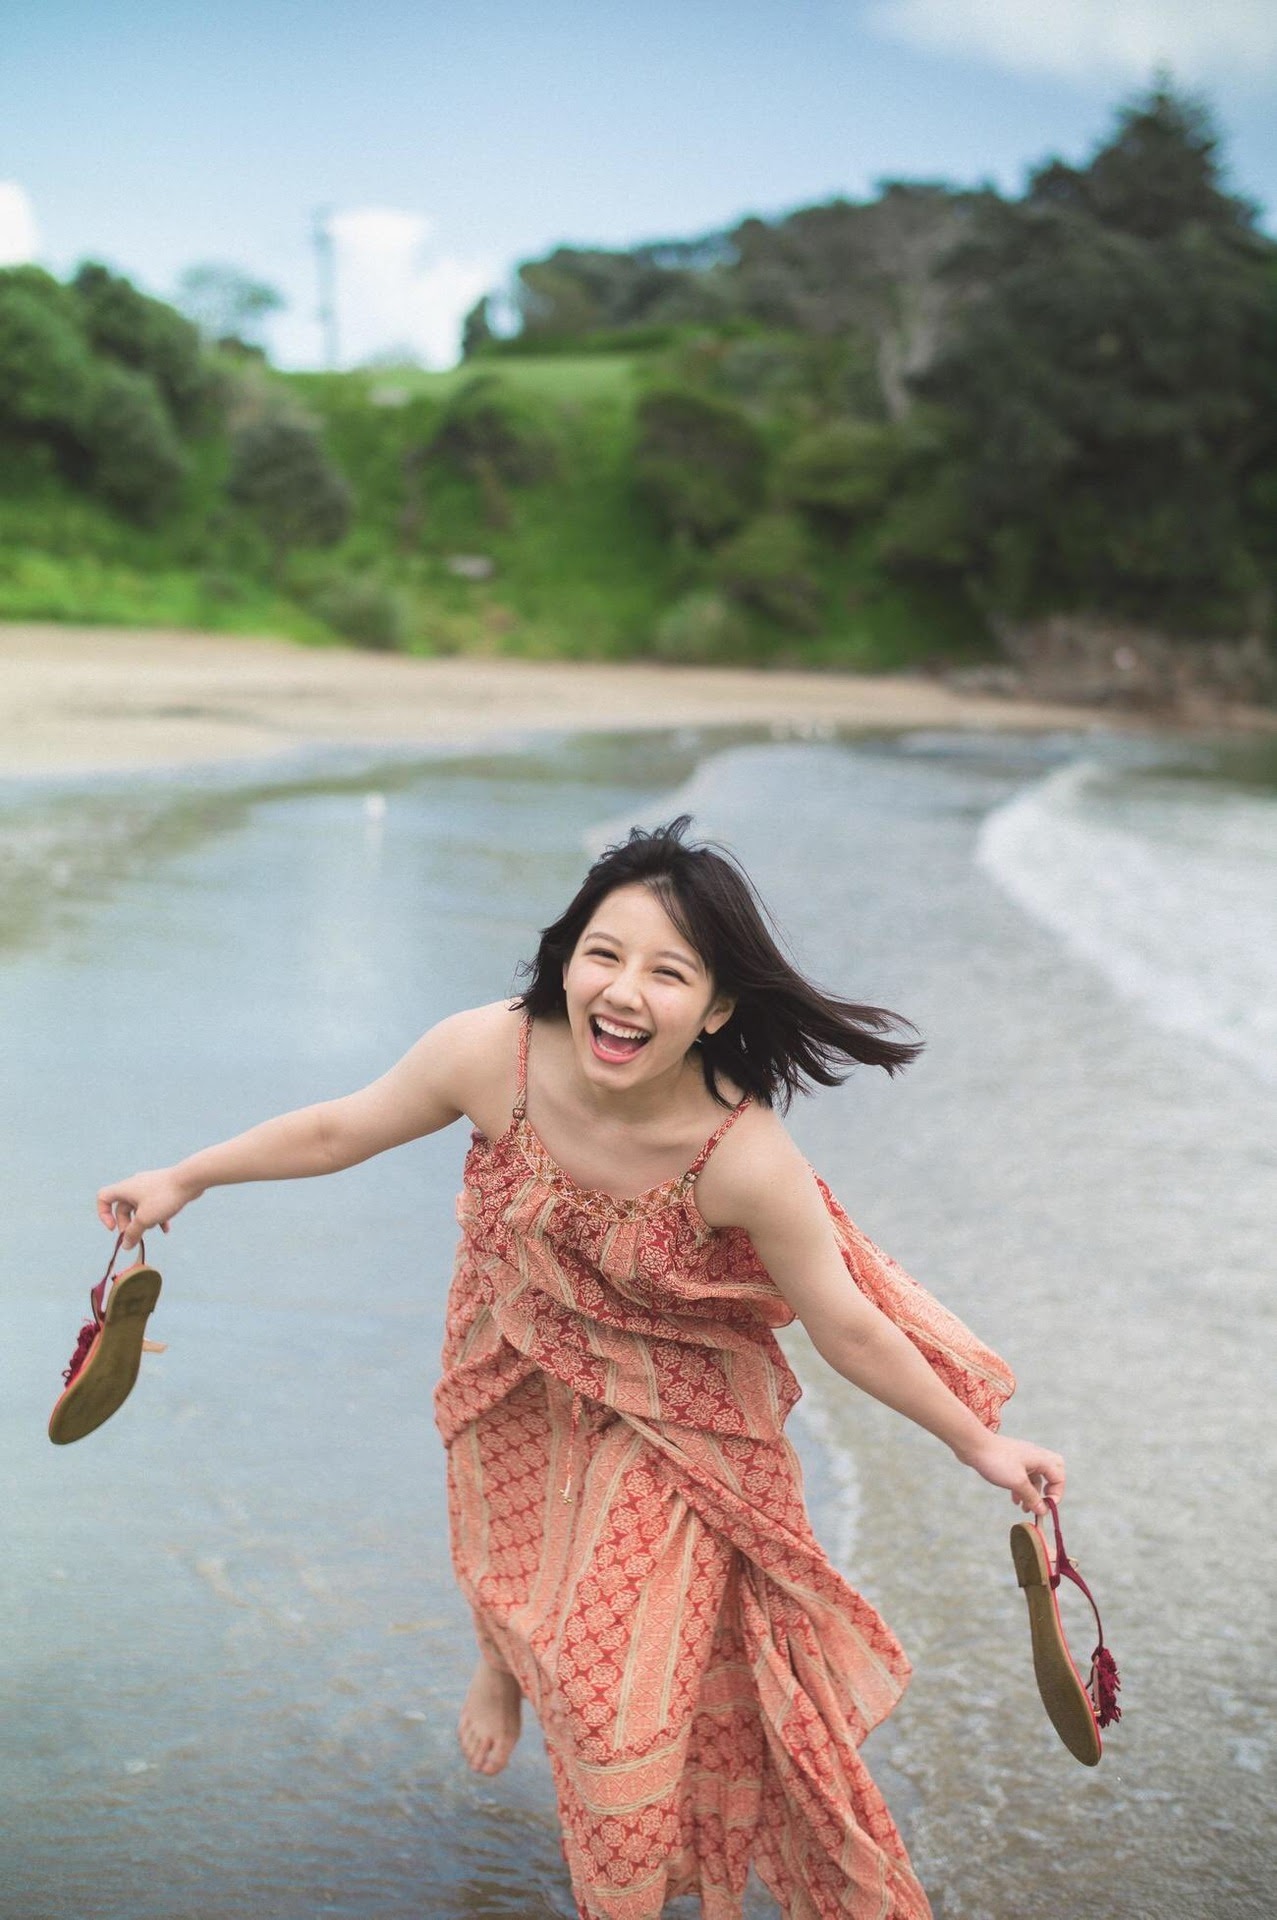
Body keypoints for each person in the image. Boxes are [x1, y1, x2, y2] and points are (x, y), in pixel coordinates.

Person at [98, 816, 1064, 1920]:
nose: (623, 990)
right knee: (510, 1547)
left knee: (610, 1701)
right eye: (603, 954)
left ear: (716, 1009)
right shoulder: (490, 1054)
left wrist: (978, 1444)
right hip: (511, 1359)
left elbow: (845, 1327)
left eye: (669, 972)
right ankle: (501, 1663)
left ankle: (619, 1890)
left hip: (674, 1417)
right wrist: (186, 1177)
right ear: (566, 960)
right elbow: (335, 1131)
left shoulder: (740, 1157)